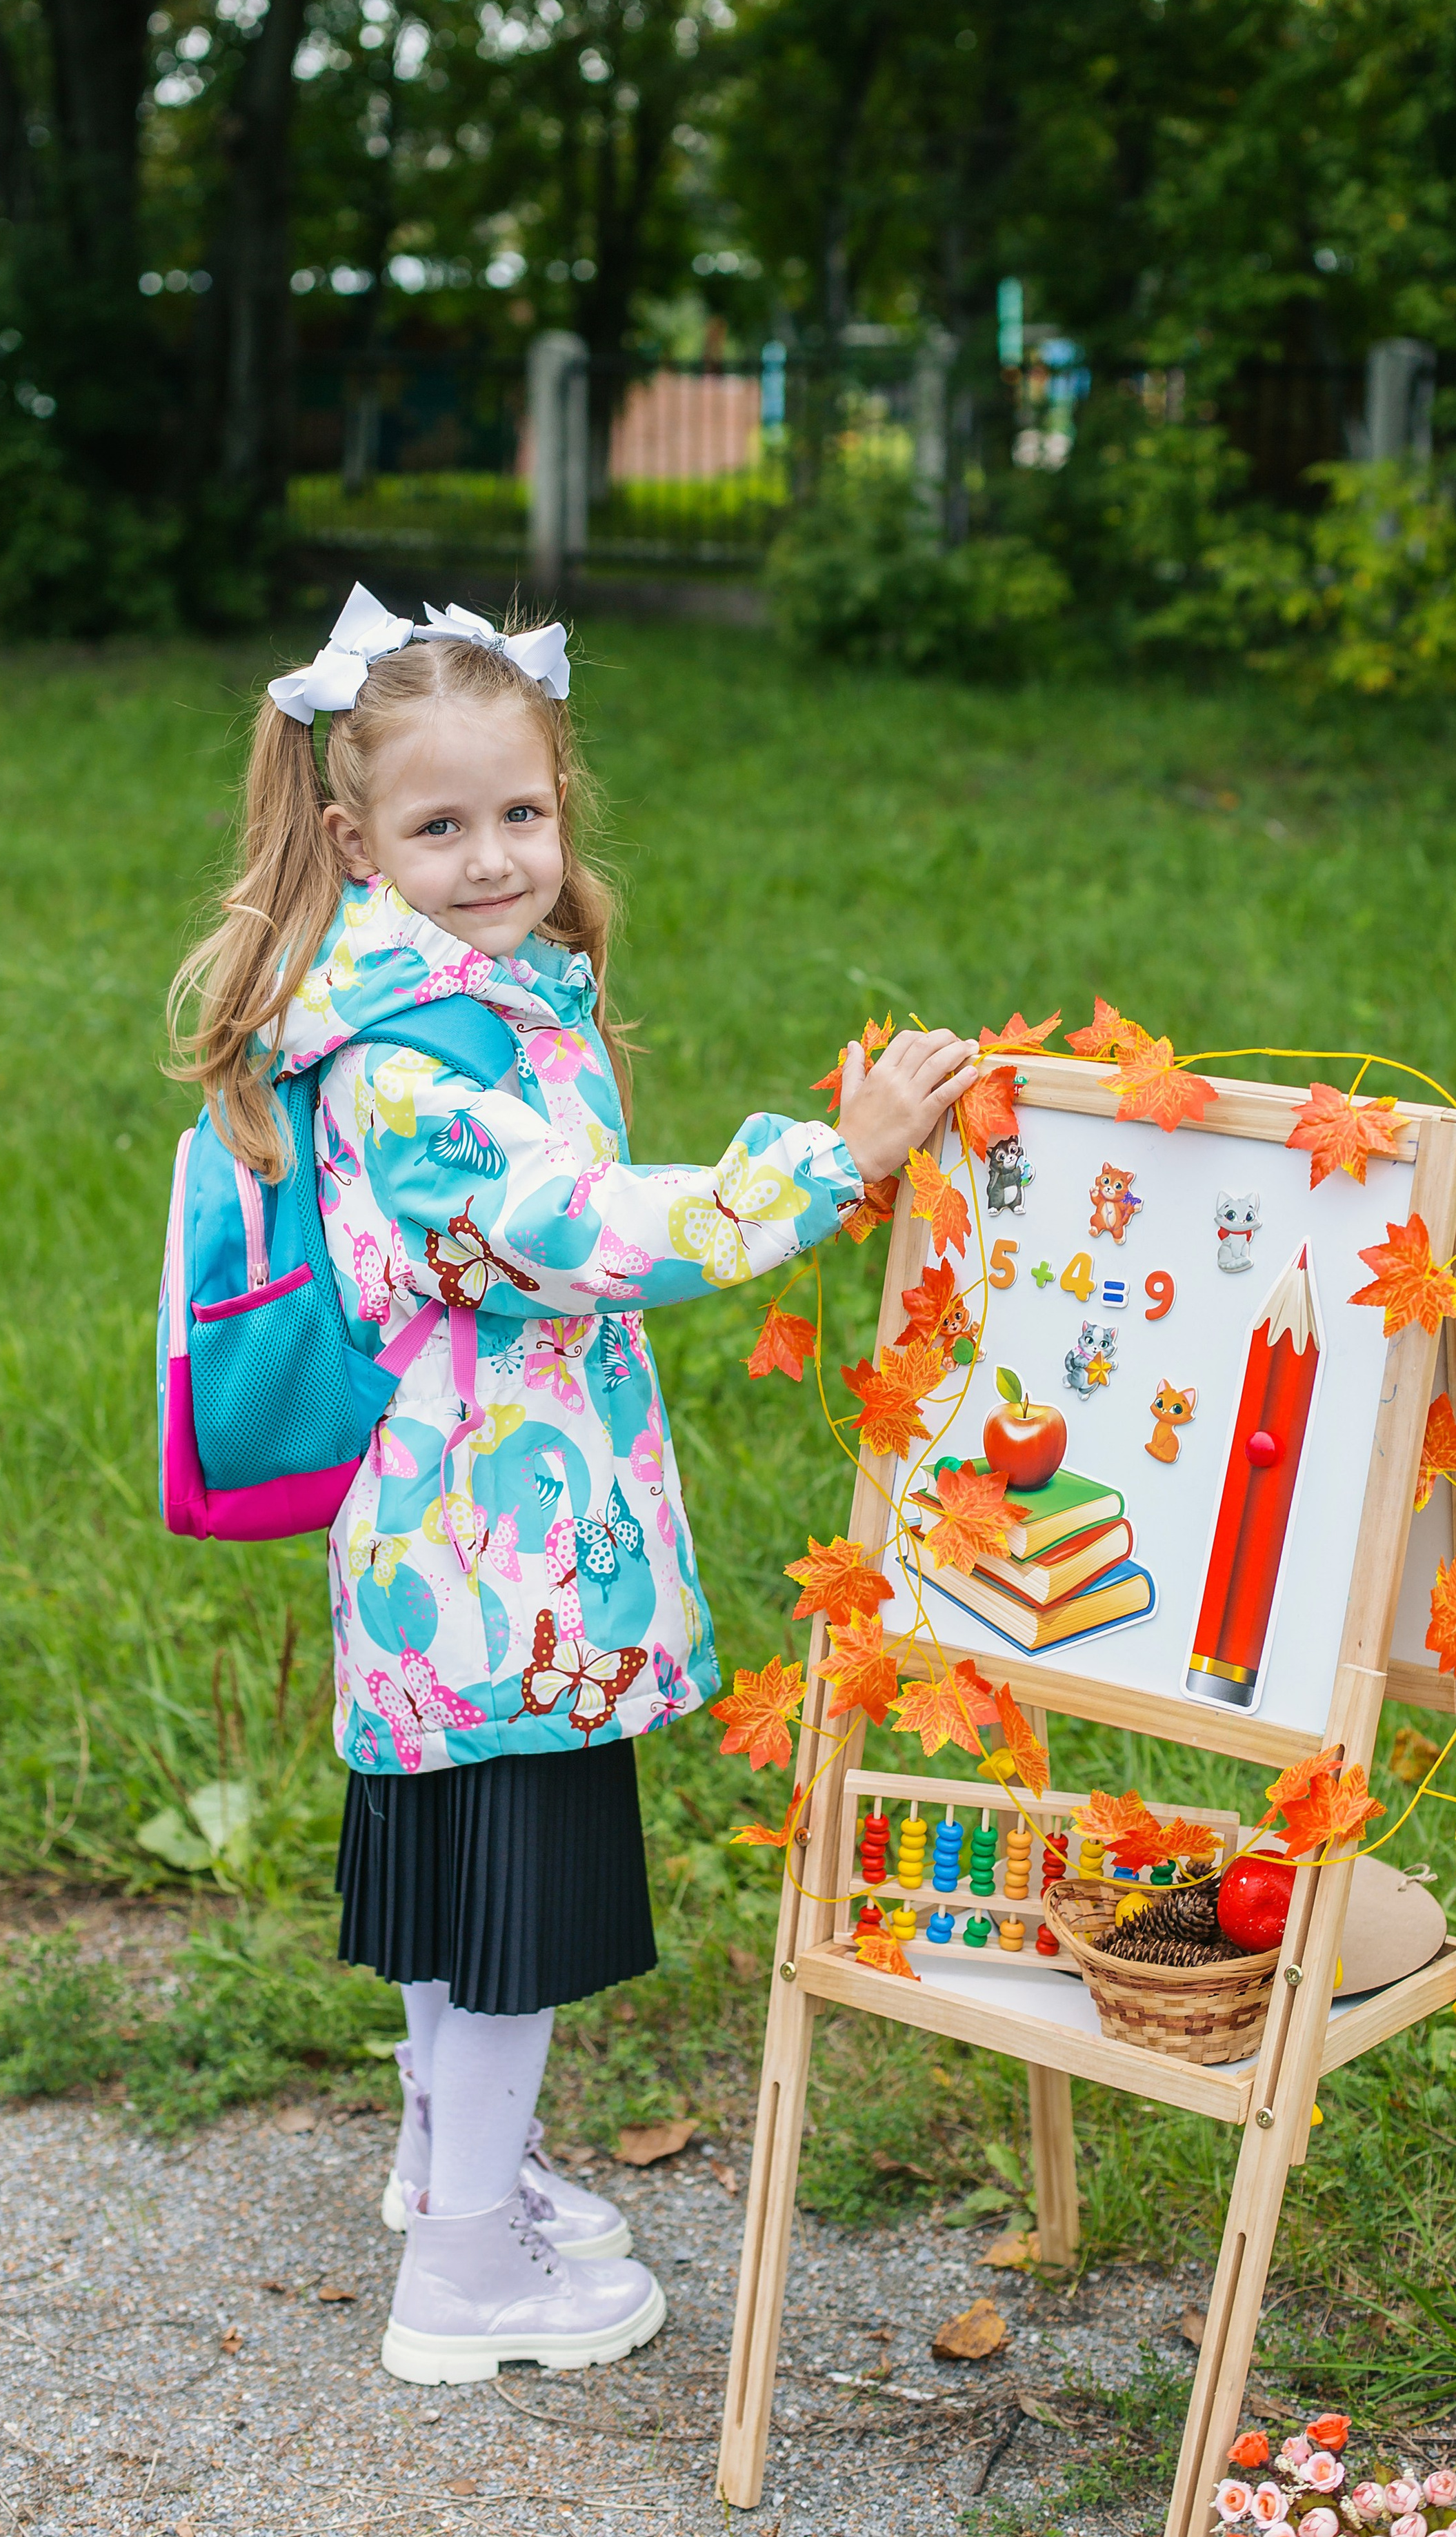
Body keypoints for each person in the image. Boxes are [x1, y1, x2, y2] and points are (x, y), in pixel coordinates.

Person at [168, 586, 977, 2385]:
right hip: (504, 1563)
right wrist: (823, 1170)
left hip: (449, 1549)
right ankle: (465, 2279)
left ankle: (449, 2169)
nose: (491, 858)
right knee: (513, 1925)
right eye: (440, 826)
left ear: (560, 801)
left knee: (456, 1900)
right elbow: (576, 1229)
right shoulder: (412, 1056)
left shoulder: (444, 995)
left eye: (519, 814)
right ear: (351, 834)